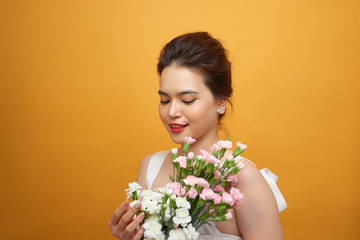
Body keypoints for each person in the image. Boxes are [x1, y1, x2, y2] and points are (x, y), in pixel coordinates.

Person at [108, 32, 287, 240]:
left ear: (220, 101)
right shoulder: (150, 167)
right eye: (165, 100)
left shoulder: (242, 177)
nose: (172, 111)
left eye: (188, 100)